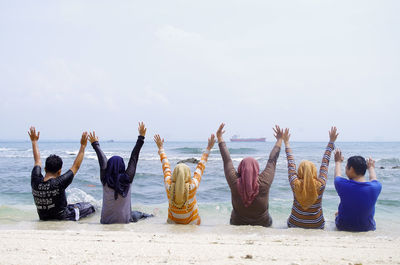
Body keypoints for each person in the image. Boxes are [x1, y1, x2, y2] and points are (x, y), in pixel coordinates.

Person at [215, 123, 282, 227]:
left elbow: (227, 160)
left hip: (237, 223)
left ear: (241, 169)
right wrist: (279, 140)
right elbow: (272, 161)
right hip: (263, 224)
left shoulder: (234, 181)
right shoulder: (264, 181)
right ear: (256, 169)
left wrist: (219, 138)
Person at [89, 122, 153, 224]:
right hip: (125, 221)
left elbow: (103, 162)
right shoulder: (127, 179)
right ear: (122, 167)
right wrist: (141, 137)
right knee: (137, 214)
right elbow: (134, 158)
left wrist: (95, 144)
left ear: (109, 167)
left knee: (135, 213)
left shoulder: (105, 179)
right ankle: (151, 216)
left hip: (105, 222)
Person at [29, 126, 95, 221]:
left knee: (75, 205)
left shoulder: (35, 180)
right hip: (64, 217)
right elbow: (75, 166)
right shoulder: (58, 183)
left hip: (43, 218)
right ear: (59, 171)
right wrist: (83, 146)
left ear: (45, 168)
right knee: (90, 206)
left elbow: (37, 160)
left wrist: (34, 141)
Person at [282, 127, 338, 229]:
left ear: (300, 171)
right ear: (314, 171)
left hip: (294, 224)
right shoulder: (320, 184)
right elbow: (325, 163)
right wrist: (331, 142)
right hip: (317, 225)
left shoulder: (295, 183)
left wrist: (286, 143)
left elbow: (291, 163)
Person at [154, 133, 215, 225]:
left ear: (174, 174)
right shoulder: (192, 186)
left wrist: (161, 149)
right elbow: (200, 167)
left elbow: (165, 167)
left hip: (173, 222)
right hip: (191, 223)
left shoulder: (169, 186)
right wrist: (208, 148)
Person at [334, 150, 382, 231]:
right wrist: (371, 167)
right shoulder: (376, 187)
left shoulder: (342, 185)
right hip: (367, 228)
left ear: (351, 169)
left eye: (346, 168)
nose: (345, 170)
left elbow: (337, 176)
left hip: (343, 227)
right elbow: (373, 178)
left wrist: (337, 162)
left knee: (337, 213)